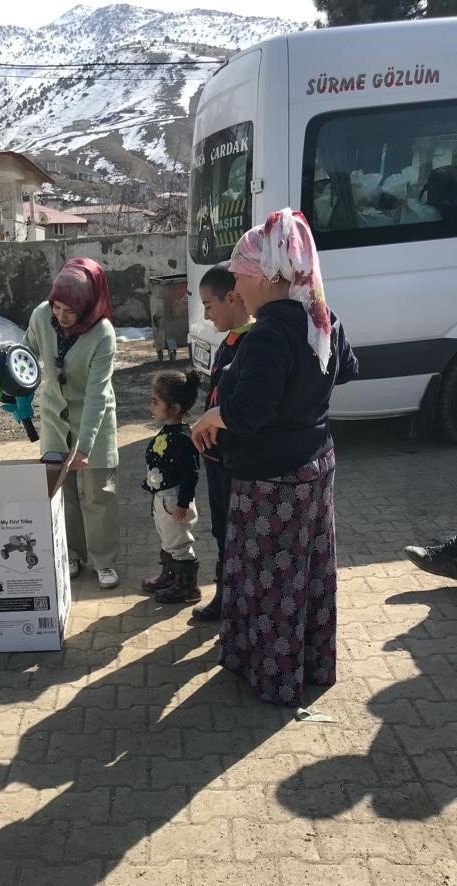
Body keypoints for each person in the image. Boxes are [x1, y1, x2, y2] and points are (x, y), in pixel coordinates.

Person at [191, 208, 359, 707]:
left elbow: (250, 412)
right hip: (315, 463)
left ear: (267, 274)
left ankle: (272, 678)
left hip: (272, 480)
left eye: (241, 275)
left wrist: (211, 417)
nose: (237, 289)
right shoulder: (320, 318)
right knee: (306, 574)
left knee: (272, 581)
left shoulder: (268, 332)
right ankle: (310, 667)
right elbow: (346, 369)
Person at [23, 258, 120, 589]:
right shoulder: (41, 316)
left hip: (94, 417)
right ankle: (73, 555)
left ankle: (104, 561)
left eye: (69, 311)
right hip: (54, 414)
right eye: (56, 308)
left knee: (98, 493)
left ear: (88, 306)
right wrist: (15, 382)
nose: (61, 317)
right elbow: (26, 352)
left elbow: (97, 394)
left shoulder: (102, 334)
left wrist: (85, 447)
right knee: (60, 490)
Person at [192, 264, 253, 622]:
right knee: (221, 530)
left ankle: (238, 599)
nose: (205, 314)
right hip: (217, 460)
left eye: (208, 305)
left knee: (237, 532)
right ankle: (225, 593)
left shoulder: (254, 343)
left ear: (233, 297)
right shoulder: (228, 340)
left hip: (237, 462)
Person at [141, 370, 202, 603]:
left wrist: (182, 504)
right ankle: (170, 576)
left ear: (174, 408)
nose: (151, 407)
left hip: (173, 500)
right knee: (168, 539)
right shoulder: (169, 431)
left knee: (179, 541)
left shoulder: (183, 439)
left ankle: (187, 587)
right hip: (162, 498)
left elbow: (191, 474)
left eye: (156, 402)